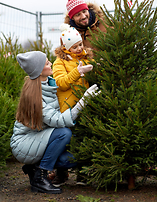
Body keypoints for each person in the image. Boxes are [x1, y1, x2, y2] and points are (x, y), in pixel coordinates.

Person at [10, 51, 100, 194]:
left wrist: (79, 72)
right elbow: (58, 121)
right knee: (64, 133)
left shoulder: (48, 85)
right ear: (39, 71)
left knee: (72, 157)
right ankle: (40, 178)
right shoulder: (35, 97)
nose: (51, 63)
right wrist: (84, 100)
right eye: (47, 63)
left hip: (40, 138)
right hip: (24, 145)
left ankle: (35, 167)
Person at [52, 23, 94, 113]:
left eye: (80, 44)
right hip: (68, 108)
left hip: (85, 106)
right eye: (75, 47)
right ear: (67, 48)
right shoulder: (60, 62)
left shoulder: (86, 57)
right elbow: (60, 83)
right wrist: (78, 71)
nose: (79, 49)